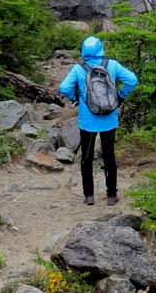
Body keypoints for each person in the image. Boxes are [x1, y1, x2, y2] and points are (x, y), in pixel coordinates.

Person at [59, 36, 138, 207]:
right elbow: (132, 80)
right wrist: (120, 97)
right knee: (109, 156)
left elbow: (64, 87)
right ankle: (111, 195)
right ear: (101, 49)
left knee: (86, 157)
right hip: (109, 119)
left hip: (87, 121)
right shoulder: (112, 65)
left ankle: (89, 196)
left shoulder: (78, 69)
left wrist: (76, 99)